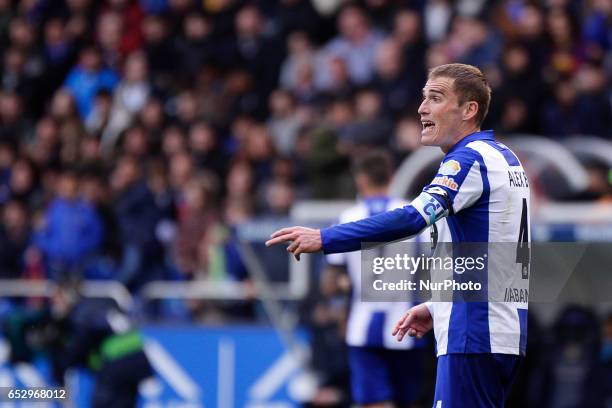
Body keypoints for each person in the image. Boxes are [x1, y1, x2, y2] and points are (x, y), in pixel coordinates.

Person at [266, 63, 530, 408]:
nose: (422, 108)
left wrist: (326, 238)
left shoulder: (468, 161)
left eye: (435, 98)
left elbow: (413, 217)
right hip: (497, 328)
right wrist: (439, 307)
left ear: (469, 110)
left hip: (474, 332)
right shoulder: (506, 158)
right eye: (423, 98)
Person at [324, 150, 428, 407]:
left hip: (362, 328)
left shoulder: (347, 218)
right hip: (409, 326)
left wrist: (341, 293)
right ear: (391, 177)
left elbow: (330, 283)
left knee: (375, 403)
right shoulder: (415, 215)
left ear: (360, 179)